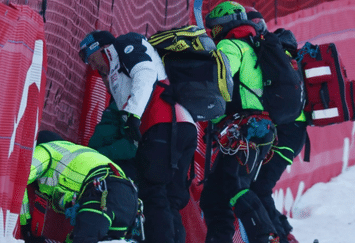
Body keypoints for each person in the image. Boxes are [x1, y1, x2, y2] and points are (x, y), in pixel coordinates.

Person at [79, 30, 198, 243]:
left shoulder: (125, 44)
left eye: (91, 59)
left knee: (153, 191)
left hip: (163, 122)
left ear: (100, 47)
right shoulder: (115, 73)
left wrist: (133, 114)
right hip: (182, 125)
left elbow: (145, 72)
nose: (93, 67)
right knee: (169, 198)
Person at [200, 1, 279, 243]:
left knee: (236, 186)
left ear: (222, 24)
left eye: (212, 28)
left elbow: (219, 78)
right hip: (259, 128)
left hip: (246, 129)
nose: (212, 33)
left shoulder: (231, 44)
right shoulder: (255, 44)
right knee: (215, 195)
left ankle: (266, 237)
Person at [245, 6, 307, 243]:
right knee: (256, 186)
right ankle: (282, 234)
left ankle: (282, 237)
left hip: (289, 131)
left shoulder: (270, 52)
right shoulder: (278, 50)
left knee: (260, 187)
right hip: (290, 130)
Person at [19, 135, 139, 243]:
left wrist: (26, 226)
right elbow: (81, 225)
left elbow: (20, 179)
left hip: (105, 193)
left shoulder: (47, 150)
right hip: (127, 197)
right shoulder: (77, 156)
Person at [88, 99, 138, 180]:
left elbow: (132, 145)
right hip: (98, 160)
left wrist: (100, 154)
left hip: (118, 166)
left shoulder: (135, 105)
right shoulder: (117, 99)